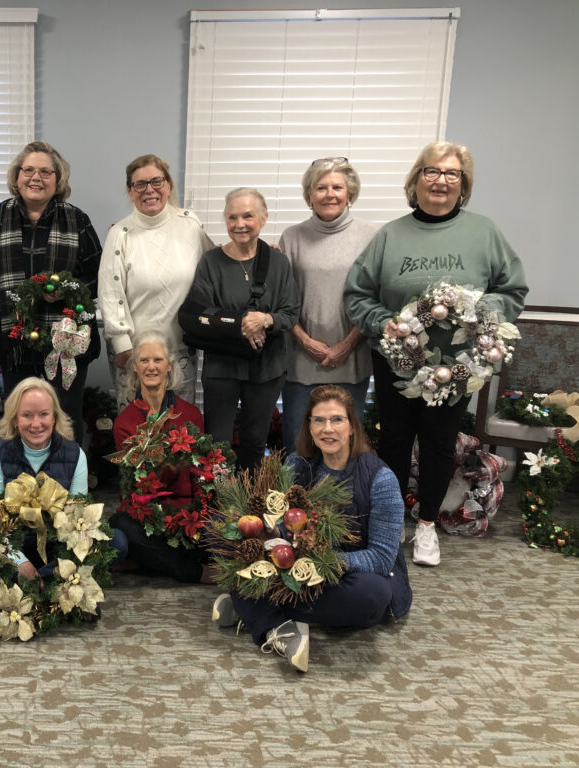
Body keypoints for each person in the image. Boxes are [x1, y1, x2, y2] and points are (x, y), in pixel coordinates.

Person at [344, 141, 528, 567]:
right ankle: (386, 524)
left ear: (463, 183)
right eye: (432, 171)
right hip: (397, 361)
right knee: (393, 439)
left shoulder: (484, 232)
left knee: (438, 442)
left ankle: (426, 525)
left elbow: (512, 289)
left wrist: (486, 312)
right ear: (416, 179)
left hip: (458, 368)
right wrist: (381, 322)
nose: (441, 180)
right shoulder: (390, 235)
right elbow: (357, 294)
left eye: (452, 173)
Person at [212, 385, 412, 672]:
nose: (327, 429)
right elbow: (282, 525)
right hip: (291, 566)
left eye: (336, 420)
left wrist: (322, 563)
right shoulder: (297, 464)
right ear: (309, 426)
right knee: (229, 534)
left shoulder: (380, 479)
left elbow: (381, 558)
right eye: (318, 420)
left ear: (352, 427)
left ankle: (252, 607)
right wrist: (272, 534)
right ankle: (274, 623)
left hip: (347, 573)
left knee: (374, 595)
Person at [0, 141, 101, 438]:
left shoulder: (77, 220)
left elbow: (96, 277)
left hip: (66, 344)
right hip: (13, 343)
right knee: (20, 421)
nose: (36, 178)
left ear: (59, 179)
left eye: (46, 171)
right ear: (16, 177)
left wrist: (67, 291)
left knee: (65, 421)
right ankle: (19, 484)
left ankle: (69, 484)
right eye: (28, 170)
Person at [180, 188, 300, 470]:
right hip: (222, 367)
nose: (240, 224)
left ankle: (250, 504)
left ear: (264, 218)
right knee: (217, 443)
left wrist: (265, 321)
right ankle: (219, 505)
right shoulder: (211, 262)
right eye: (232, 217)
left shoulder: (278, 262)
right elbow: (198, 313)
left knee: (255, 442)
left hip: (267, 366)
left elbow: (290, 314)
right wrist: (243, 324)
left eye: (248, 216)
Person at [98, 154, 214, 410]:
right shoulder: (120, 234)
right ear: (130, 192)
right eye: (140, 184)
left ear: (169, 185)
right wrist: (122, 346)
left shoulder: (190, 224)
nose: (149, 190)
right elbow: (110, 292)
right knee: (137, 433)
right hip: (135, 355)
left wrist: (253, 254)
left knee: (180, 429)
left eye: (156, 181)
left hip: (181, 351)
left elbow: (217, 266)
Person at [0, 377, 126, 582]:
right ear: (14, 419)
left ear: (55, 418)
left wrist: (64, 559)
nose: (36, 424)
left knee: (117, 543)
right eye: (26, 415)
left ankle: (43, 578)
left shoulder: (75, 454)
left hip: (58, 544)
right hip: (14, 543)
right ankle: (56, 581)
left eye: (43, 414)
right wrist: (19, 561)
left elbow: (77, 520)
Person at [278, 158, 376, 454]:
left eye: (337, 187)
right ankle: (297, 501)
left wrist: (345, 345)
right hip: (300, 360)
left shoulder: (371, 236)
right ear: (309, 194)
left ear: (350, 193)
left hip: (351, 358)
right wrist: (306, 341)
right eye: (321, 187)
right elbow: (280, 300)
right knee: (299, 444)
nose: (329, 194)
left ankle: (344, 502)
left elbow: (374, 298)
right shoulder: (292, 237)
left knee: (345, 447)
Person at [109, 331, 212, 583]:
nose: (151, 367)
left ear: (169, 365)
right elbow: (131, 488)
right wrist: (169, 470)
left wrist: (202, 515)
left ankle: (151, 561)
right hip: (147, 517)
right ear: (134, 366)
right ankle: (191, 571)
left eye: (157, 360)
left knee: (220, 522)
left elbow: (202, 476)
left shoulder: (191, 415)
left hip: (188, 516)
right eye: (144, 360)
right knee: (120, 523)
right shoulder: (125, 422)